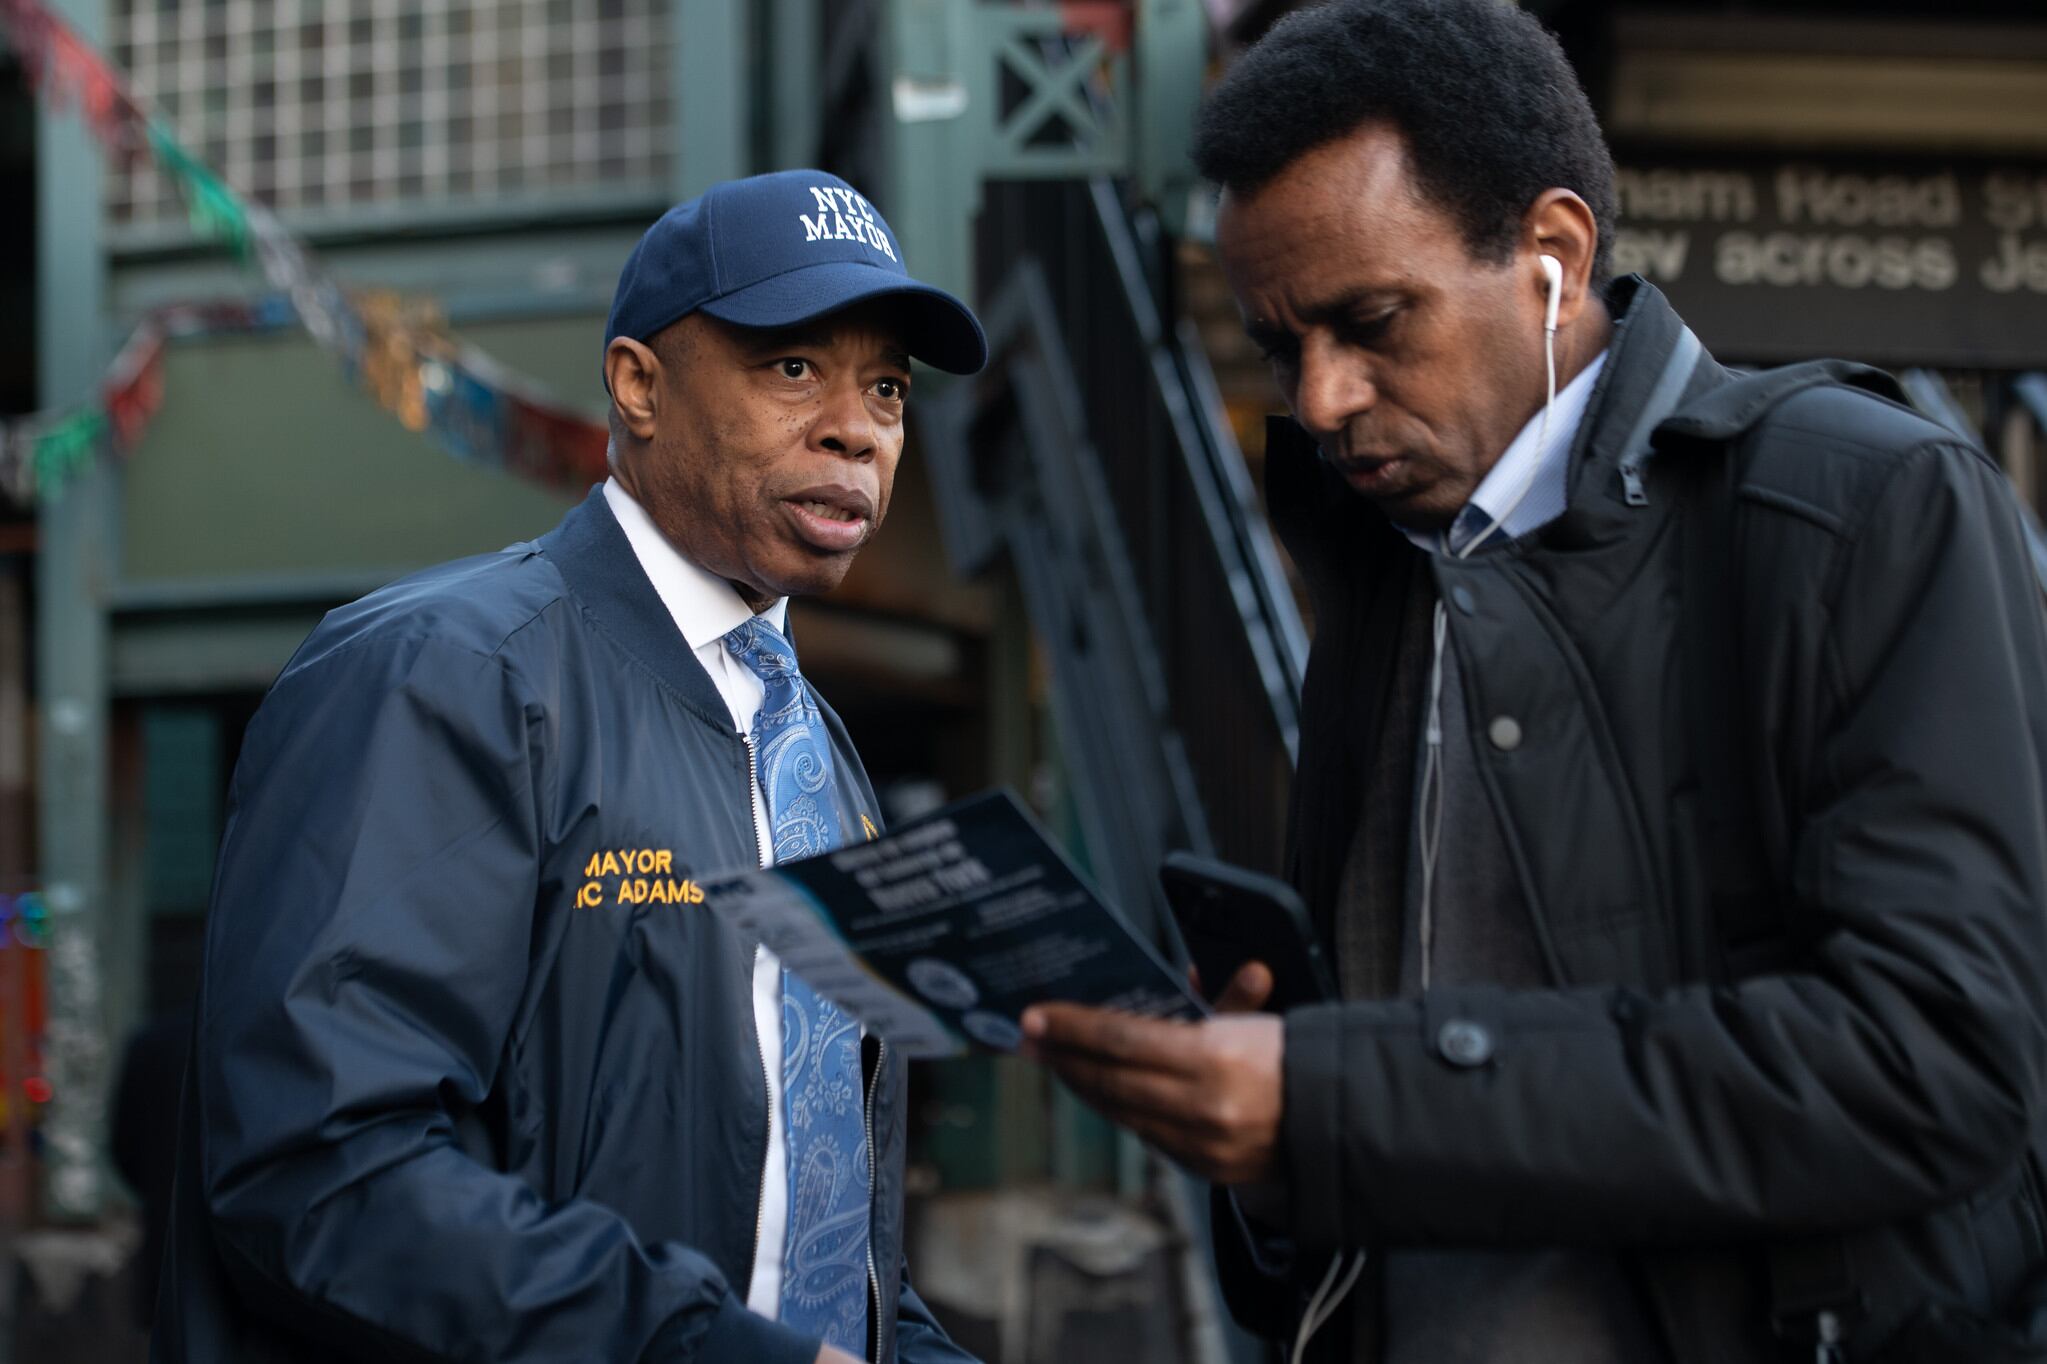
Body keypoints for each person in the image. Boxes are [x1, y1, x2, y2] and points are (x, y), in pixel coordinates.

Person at [1020, 3, 2047, 1361]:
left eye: (1370, 321)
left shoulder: (1864, 506)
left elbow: (1931, 1066)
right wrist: (1272, 1165)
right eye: (1278, 346)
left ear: (1552, 254)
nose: (1319, 398)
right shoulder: (1380, 570)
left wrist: (1331, 1101)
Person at [153, 169, 987, 1364]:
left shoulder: (817, 751)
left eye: (888, 387)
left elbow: (824, 1223)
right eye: (792, 367)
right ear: (639, 385)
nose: (858, 428)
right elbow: (324, 1172)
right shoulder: (441, 674)